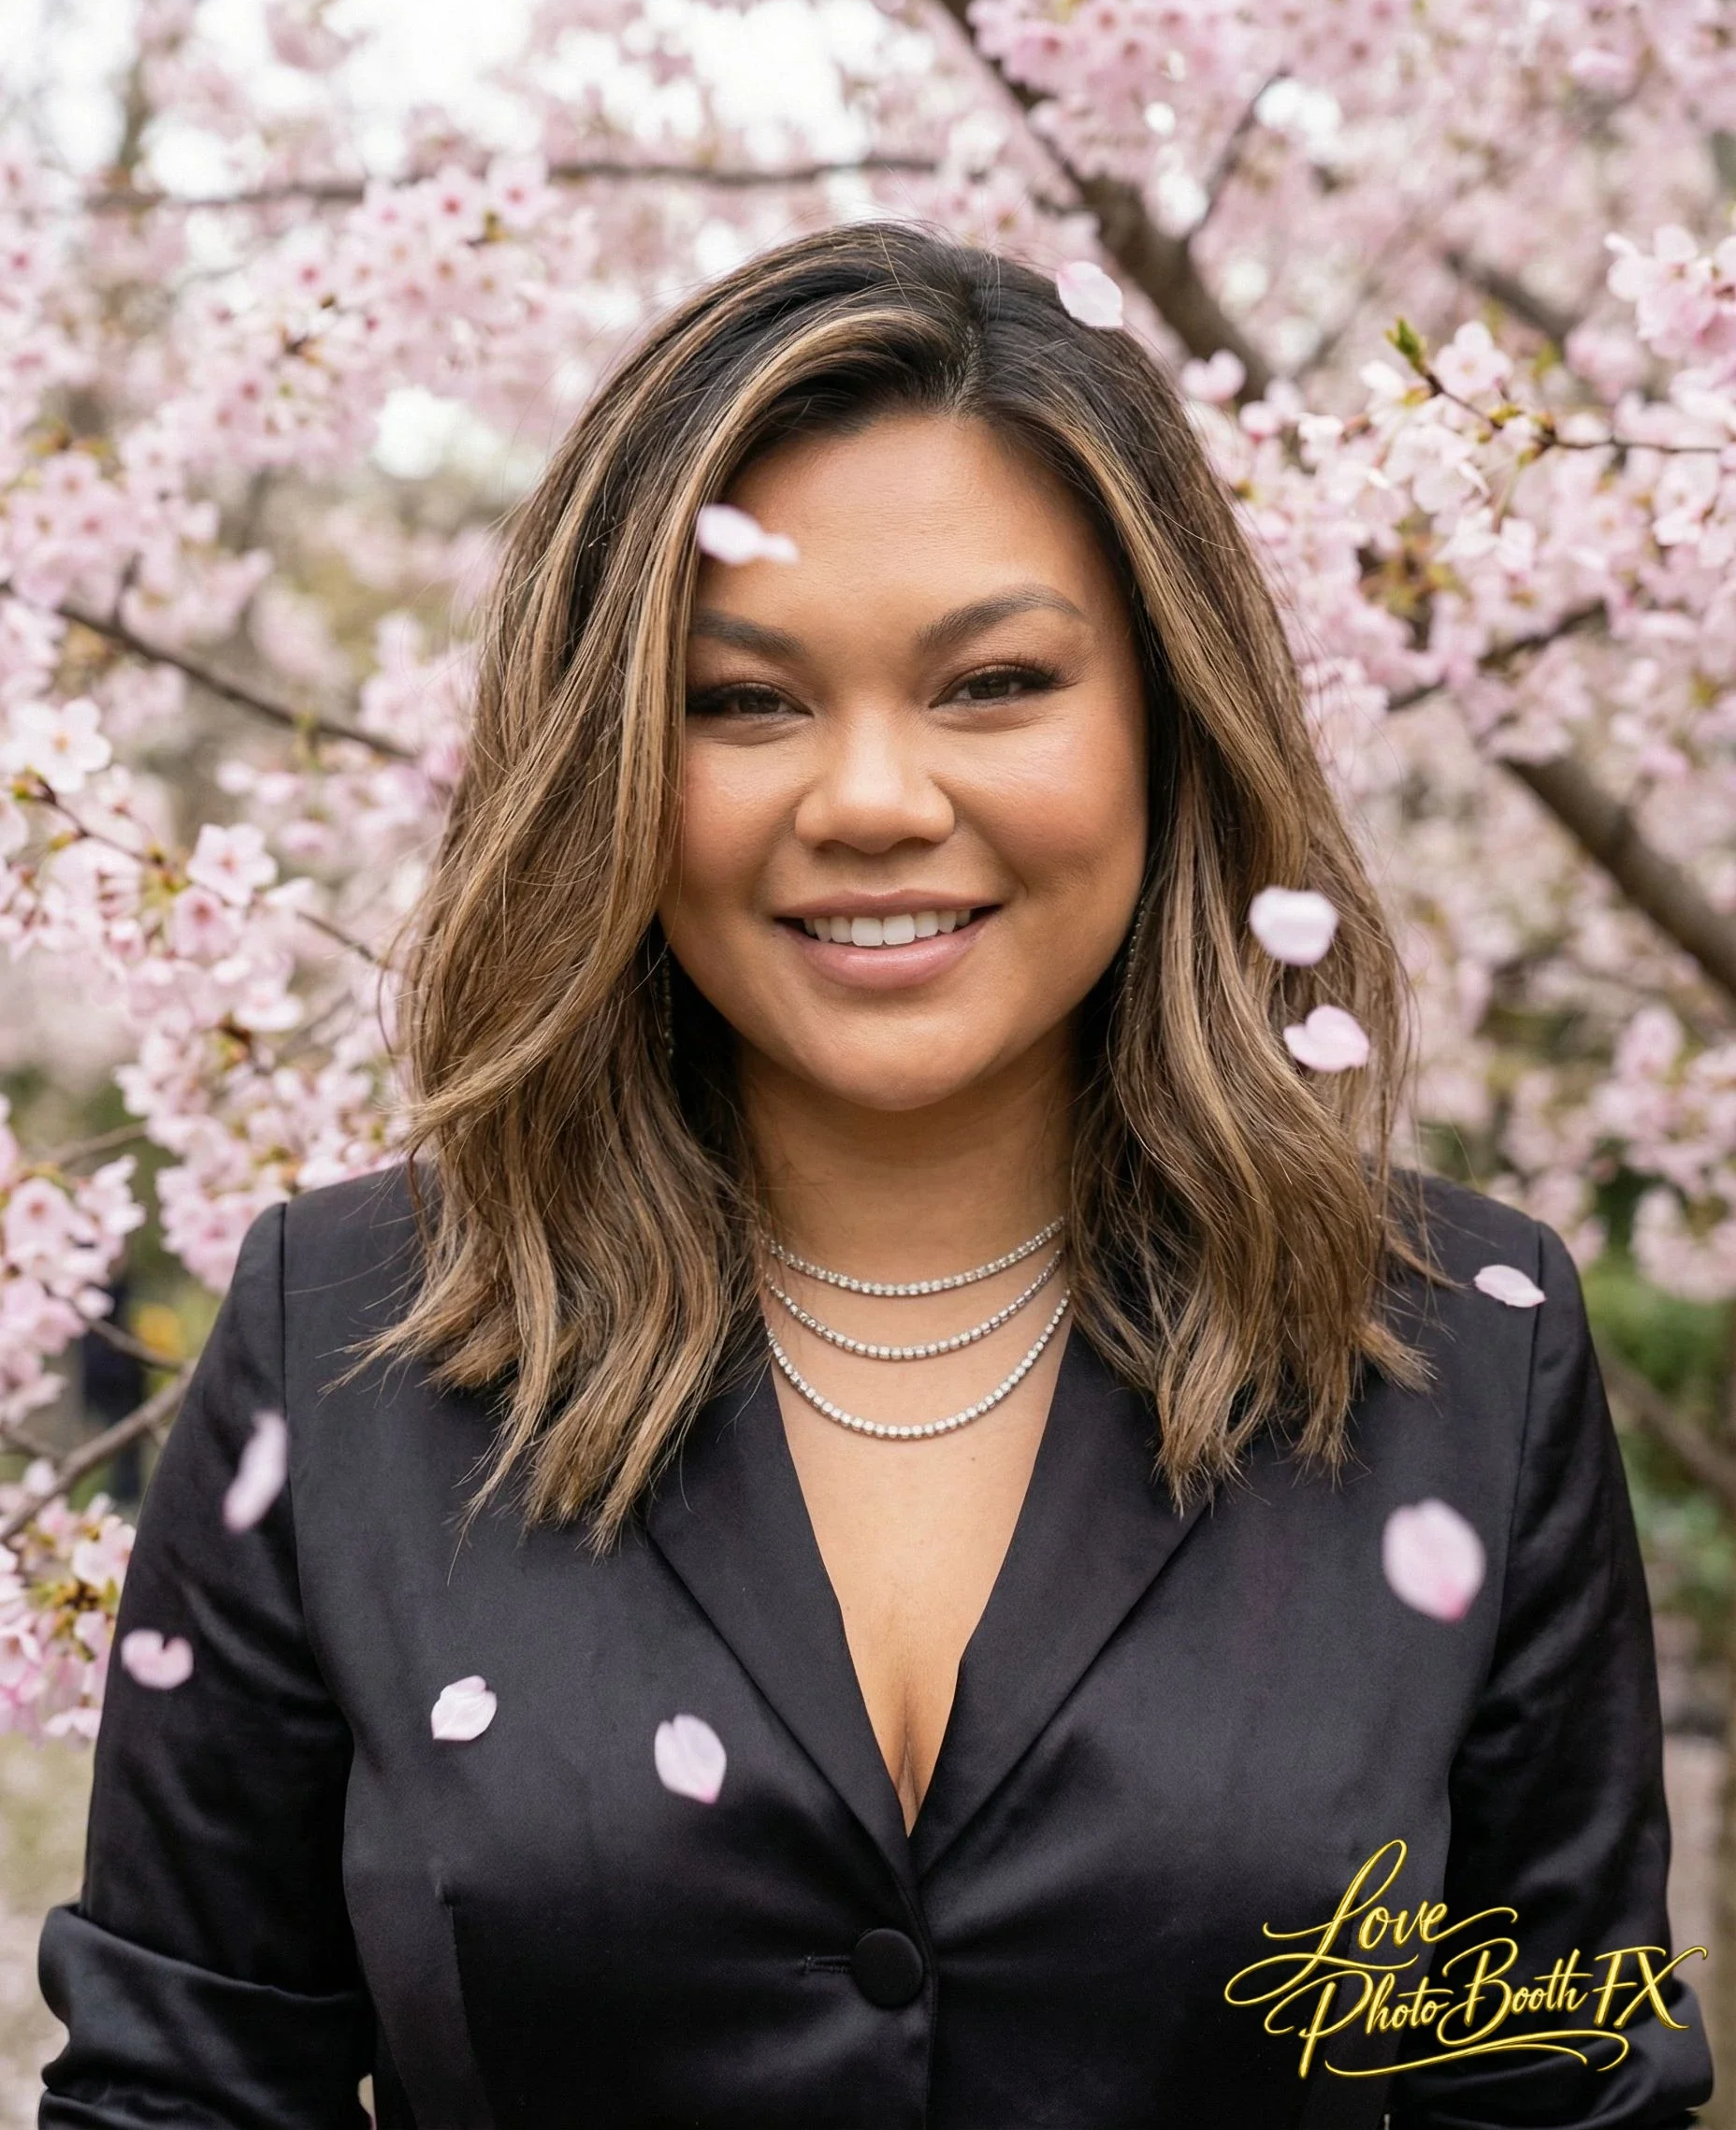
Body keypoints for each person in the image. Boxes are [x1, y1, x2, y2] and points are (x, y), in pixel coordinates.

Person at [37, 224, 1714, 2129]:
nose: (870, 798)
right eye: (744, 702)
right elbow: (178, 2092)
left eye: (992, 683)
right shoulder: (336, 1341)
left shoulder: (1465, 1357)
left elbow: (1564, 2093)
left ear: (1168, 722)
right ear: (611, 757)